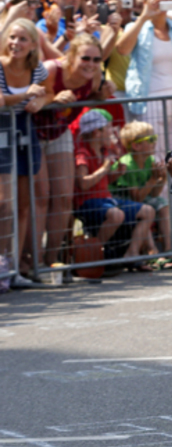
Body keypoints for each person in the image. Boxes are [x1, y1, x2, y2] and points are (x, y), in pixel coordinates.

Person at [32, 36, 105, 267]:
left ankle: (50, 260)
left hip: (59, 132)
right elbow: (28, 98)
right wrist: (53, 97)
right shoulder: (51, 69)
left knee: (64, 197)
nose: (90, 64)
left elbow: (90, 97)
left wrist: (101, 96)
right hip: (32, 131)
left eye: (96, 59)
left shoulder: (94, 77)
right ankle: (31, 261)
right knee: (41, 196)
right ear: (71, 56)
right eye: (85, 57)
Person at [74, 109, 156, 266]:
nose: (112, 132)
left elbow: (103, 181)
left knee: (148, 211)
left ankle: (131, 253)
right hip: (88, 203)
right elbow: (83, 184)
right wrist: (105, 169)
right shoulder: (83, 153)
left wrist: (117, 174)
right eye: (108, 128)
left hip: (106, 200)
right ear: (97, 132)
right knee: (116, 215)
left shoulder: (105, 151)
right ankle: (93, 254)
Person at [116, 0, 172, 158]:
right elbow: (122, 49)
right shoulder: (136, 26)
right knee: (156, 157)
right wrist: (144, 15)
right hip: (150, 102)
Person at [0, 19, 49, 280]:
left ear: (32, 45)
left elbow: (48, 91)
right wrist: (26, 95)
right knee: (3, 204)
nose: (15, 43)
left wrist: (40, 98)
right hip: (1, 131)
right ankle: (1, 265)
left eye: (21, 39)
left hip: (24, 132)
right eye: (12, 37)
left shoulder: (37, 69)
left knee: (22, 205)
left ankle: (14, 268)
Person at [110, 121, 172, 261]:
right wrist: (153, 179)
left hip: (137, 199)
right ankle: (153, 251)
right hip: (121, 201)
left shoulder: (149, 159)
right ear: (136, 145)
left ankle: (170, 249)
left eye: (155, 138)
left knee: (163, 204)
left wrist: (161, 179)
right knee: (146, 210)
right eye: (150, 140)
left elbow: (154, 194)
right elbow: (137, 199)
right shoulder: (128, 164)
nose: (155, 142)